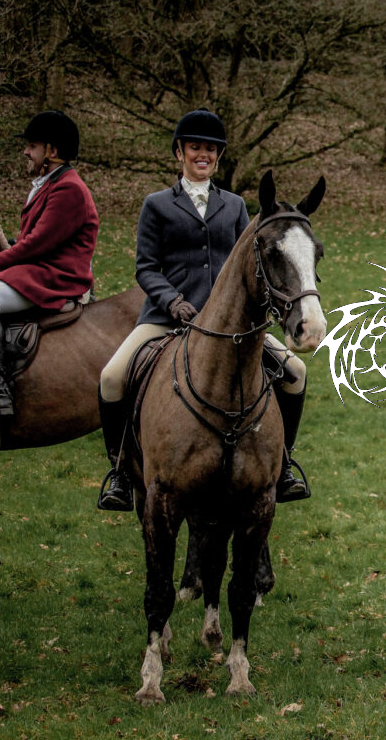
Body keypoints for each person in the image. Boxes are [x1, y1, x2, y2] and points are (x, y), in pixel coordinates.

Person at [95, 108, 311, 511]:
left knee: (296, 372)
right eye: (195, 147)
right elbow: (146, 267)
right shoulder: (157, 204)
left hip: (228, 326)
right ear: (180, 152)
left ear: (218, 156)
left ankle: (283, 466)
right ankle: (121, 472)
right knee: (111, 377)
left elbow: (249, 263)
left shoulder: (234, 206)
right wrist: (172, 301)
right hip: (166, 319)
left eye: (210, 150)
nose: (203, 155)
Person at [0, 111, 97, 418]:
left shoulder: (69, 189)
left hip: (57, 276)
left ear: (52, 151)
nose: (25, 151)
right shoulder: (49, 183)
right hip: (39, 268)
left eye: (32, 146)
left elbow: (35, 244)